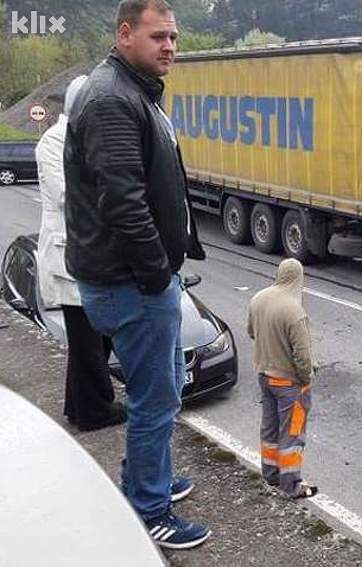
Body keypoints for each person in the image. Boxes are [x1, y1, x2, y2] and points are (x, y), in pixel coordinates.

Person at [64, 0, 209, 549]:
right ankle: (149, 510)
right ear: (125, 35)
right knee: (155, 400)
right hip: (132, 283)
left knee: (166, 390)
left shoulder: (132, 91)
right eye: (157, 36)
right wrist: (156, 277)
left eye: (173, 37)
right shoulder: (111, 100)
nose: (169, 46)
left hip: (141, 279)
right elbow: (124, 204)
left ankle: (147, 478)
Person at [36, 75, 127, 432]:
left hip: (87, 254)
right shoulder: (53, 141)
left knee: (93, 338)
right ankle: (96, 409)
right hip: (69, 255)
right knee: (88, 338)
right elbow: (67, 195)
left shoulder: (81, 136)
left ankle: (78, 406)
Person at [248, 258, 318, 499]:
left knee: (269, 429)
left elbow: (251, 331)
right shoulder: (294, 310)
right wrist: (305, 379)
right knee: (292, 435)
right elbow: (303, 355)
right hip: (289, 383)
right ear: (299, 278)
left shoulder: (258, 298)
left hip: (264, 376)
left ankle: (271, 474)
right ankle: (291, 486)